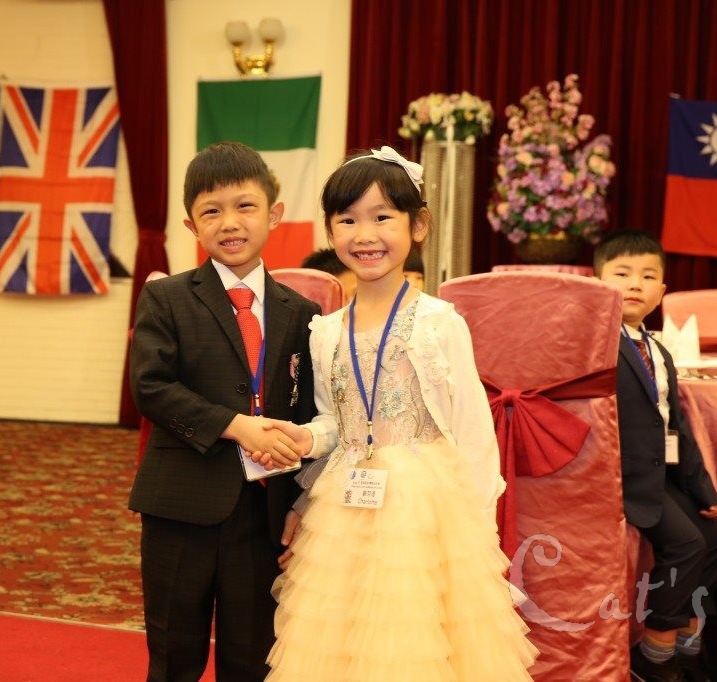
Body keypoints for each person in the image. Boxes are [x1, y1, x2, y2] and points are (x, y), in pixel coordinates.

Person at [254, 146, 537, 680]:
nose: (365, 235)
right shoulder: (325, 331)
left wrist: (475, 536)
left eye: (382, 217)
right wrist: (304, 443)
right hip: (345, 501)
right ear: (330, 230)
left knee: (415, 641)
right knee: (341, 639)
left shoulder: (438, 322)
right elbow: (335, 422)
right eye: (348, 220)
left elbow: (473, 430)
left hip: (423, 506)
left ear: (418, 224)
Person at [128, 140, 320, 682]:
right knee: (174, 653)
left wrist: (302, 501)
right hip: (181, 506)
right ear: (192, 226)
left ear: (274, 215)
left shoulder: (301, 311)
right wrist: (234, 426)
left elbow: (310, 413)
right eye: (211, 211)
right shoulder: (166, 297)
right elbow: (150, 386)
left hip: (263, 513)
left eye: (245, 206)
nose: (229, 222)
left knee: (253, 656)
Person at [594, 230, 717, 682]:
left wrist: (703, 490)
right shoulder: (597, 343)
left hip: (659, 473)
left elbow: (677, 428)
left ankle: (690, 640)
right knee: (686, 544)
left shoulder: (658, 350)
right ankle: (655, 650)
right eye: (622, 273)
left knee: (713, 539)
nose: (636, 283)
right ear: (597, 282)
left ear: (662, 291)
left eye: (648, 276)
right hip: (623, 478)